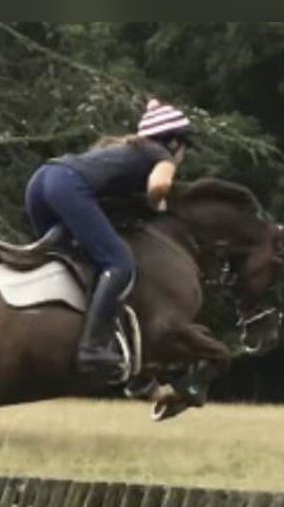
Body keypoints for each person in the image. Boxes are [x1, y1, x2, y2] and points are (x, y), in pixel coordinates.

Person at [24, 98, 191, 383]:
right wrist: (156, 203)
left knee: (79, 264)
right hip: (66, 186)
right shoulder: (160, 155)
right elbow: (160, 185)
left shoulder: (125, 151)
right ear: (174, 143)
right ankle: (91, 348)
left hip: (41, 181)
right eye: (186, 148)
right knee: (119, 264)